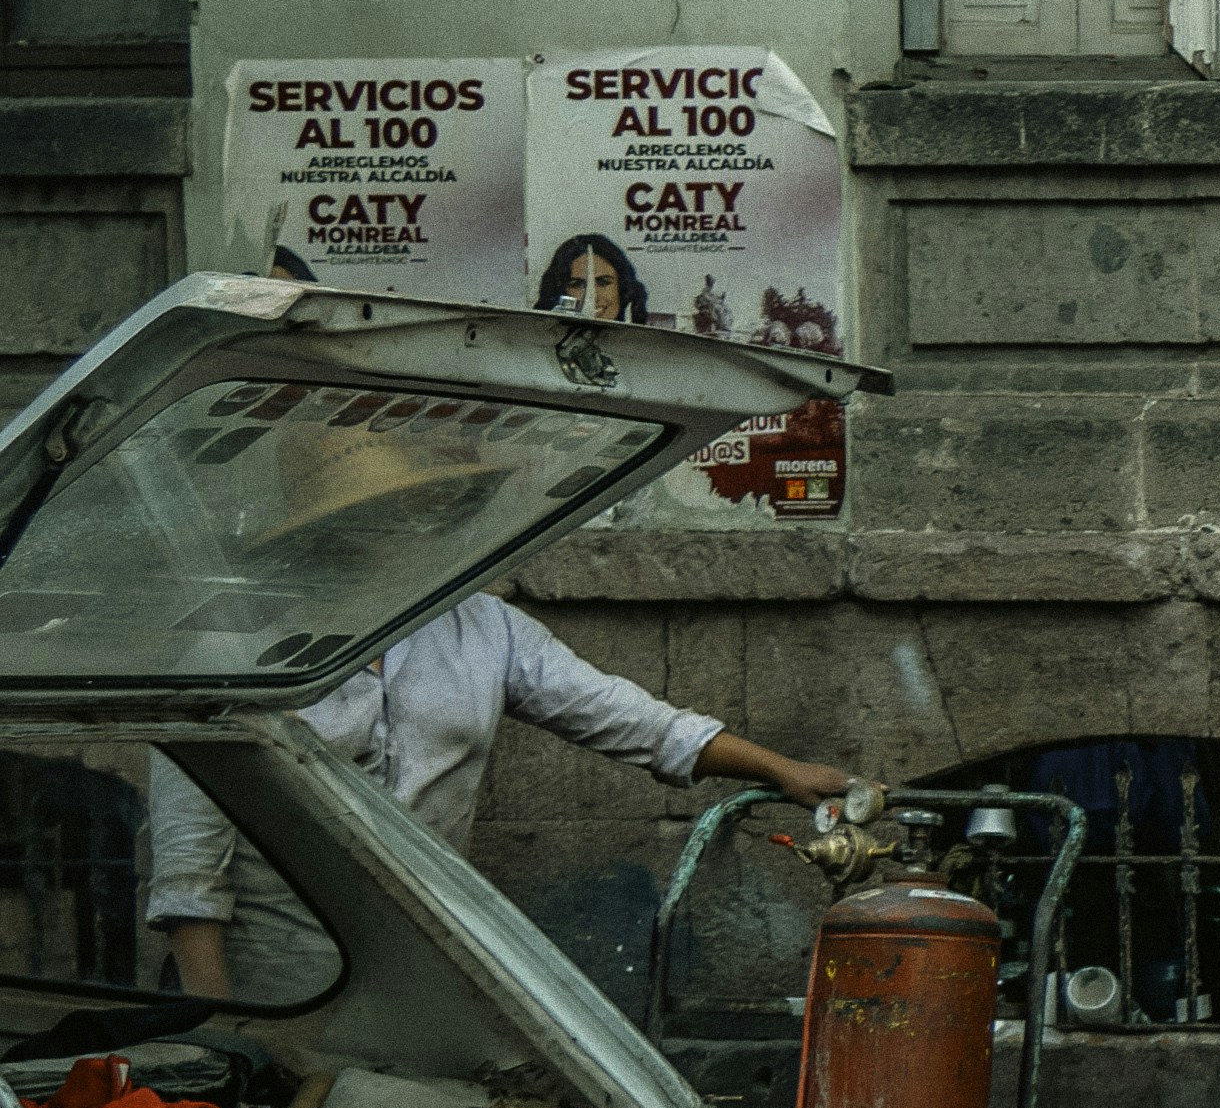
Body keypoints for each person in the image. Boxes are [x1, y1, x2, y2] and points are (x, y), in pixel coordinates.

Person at [139, 414, 854, 1004]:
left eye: (402, 512)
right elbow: (190, 861)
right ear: (318, 530)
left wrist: (781, 769)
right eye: (365, 517)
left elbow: (635, 721)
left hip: (425, 951)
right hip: (279, 967)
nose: (393, 531)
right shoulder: (229, 646)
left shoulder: (482, 627)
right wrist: (217, 1016)